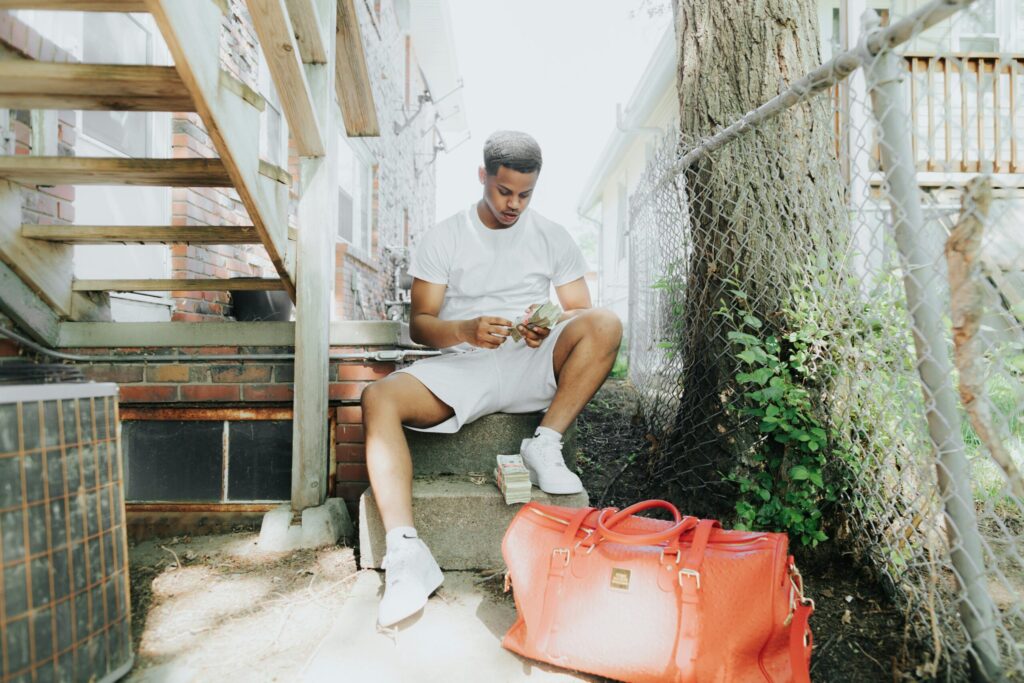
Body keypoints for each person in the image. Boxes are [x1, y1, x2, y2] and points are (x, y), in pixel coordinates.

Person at [361, 131, 623, 627]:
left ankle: (544, 443)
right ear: (483, 176)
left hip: (529, 359)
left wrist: (548, 324)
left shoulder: (551, 235)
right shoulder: (447, 235)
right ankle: (405, 555)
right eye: (505, 191)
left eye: (525, 194)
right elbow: (420, 324)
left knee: (606, 322)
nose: (514, 204)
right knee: (377, 398)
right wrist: (465, 329)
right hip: (462, 363)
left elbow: (581, 311)